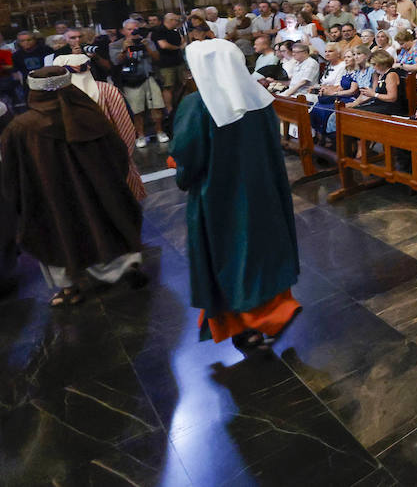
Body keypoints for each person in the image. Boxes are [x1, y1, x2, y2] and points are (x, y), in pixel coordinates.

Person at [172, 39, 301, 353]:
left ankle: (245, 324)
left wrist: (183, 176)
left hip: (219, 199)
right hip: (264, 193)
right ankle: (270, 315)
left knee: (229, 258)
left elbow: (187, 156)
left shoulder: (198, 105)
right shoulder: (259, 99)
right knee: (262, 252)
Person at [0, 67, 144, 307]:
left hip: (49, 197)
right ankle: (123, 267)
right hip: (98, 191)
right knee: (104, 225)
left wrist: (18, 200)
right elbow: (117, 152)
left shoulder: (21, 127)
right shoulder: (90, 114)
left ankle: (70, 287)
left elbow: (12, 171)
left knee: (56, 237)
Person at [54, 53, 145, 200]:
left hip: (81, 162)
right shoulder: (107, 90)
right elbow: (125, 127)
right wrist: (124, 155)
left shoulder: (58, 98)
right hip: (113, 156)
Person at [111, 19, 168, 147]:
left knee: (157, 105)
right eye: (129, 29)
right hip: (131, 80)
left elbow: (157, 58)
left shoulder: (146, 41)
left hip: (148, 76)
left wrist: (146, 46)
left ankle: (160, 131)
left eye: (135, 29)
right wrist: (125, 49)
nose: (133, 32)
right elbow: (116, 62)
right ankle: (141, 135)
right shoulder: (116, 45)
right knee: (137, 110)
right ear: (123, 31)